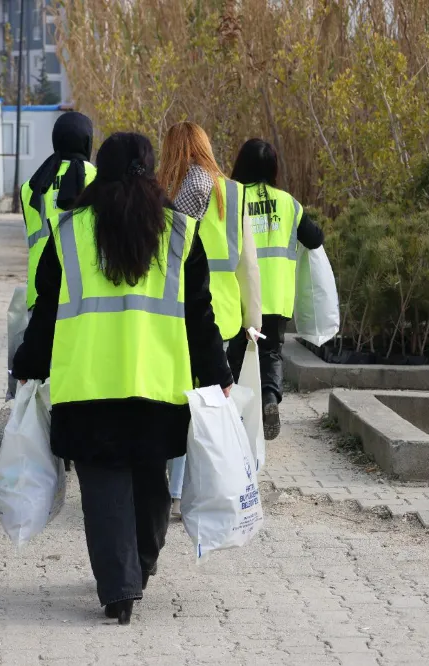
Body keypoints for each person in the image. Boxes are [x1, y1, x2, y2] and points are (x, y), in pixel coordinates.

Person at [11, 132, 233, 625]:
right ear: (152, 172)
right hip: (157, 385)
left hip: (87, 386)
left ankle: (119, 588)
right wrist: (218, 372)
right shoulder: (179, 230)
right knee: (151, 484)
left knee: (104, 487)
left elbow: (46, 307)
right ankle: (140, 567)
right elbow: (200, 311)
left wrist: (28, 364)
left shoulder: (68, 232)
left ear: (100, 170)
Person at [157, 121, 261, 518]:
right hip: (224, 315)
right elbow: (248, 265)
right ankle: (198, 486)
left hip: (173, 310)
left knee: (180, 396)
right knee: (210, 401)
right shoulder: (234, 193)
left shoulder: (163, 193)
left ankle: (172, 484)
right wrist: (255, 319)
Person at [228, 138, 324, 440]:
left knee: (238, 349)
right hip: (276, 297)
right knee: (270, 352)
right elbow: (315, 238)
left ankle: (232, 410)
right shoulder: (288, 203)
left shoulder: (233, 198)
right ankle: (269, 398)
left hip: (240, 294)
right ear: (272, 168)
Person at [20, 111, 97, 310]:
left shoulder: (31, 186)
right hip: (83, 292)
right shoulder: (99, 179)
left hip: (38, 293)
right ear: (87, 141)